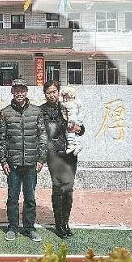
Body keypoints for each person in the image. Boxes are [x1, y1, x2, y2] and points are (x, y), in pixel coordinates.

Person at [0, 79, 47, 242]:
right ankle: (12, 227)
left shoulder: (36, 111)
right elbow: (1, 139)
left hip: (32, 163)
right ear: (12, 92)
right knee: (12, 198)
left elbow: (42, 136)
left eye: (22, 90)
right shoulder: (5, 113)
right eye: (16, 90)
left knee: (30, 198)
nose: (19, 93)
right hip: (13, 164)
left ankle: (29, 228)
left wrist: (41, 159)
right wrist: (3, 161)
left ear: (26, 92)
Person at [39, 80, 85, 238]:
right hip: (55, 154)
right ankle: (58, 224)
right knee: (59, 188)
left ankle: (66, 223)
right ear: (45, 94)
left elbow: (81, 129)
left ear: (58, 92)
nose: (51, 95)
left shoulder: (67, 105)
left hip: (70, 153)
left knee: (69, 188)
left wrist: (78, 128)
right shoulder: (41, 110)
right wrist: (66, 126)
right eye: (48, 92)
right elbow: (47, 131)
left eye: (54, 91)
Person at [60, 86, 83, 154]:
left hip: (72, 122)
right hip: (74, 122)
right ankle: (77, 145)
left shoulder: (71, 105)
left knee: (70, 132)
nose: (65, 99)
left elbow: (72, 115)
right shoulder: (66, 104)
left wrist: (71, 122)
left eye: (67, 97)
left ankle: (71, 145)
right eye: (64, 97)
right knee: (73, 134)